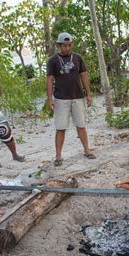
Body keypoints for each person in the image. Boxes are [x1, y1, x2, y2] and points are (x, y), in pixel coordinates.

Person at [46, 32, 96, 167]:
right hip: (61, 99)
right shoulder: (53, 60)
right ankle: (58, 156)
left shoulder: (78, 58)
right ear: (59, 45)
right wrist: (49, 98)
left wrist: (89, 94)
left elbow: (84, 76)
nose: (67, 48)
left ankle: (87, 150)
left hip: (78, 97)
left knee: (81, 125)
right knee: (61, 128)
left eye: (69, 45)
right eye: (64, 45)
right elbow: (50, 80)